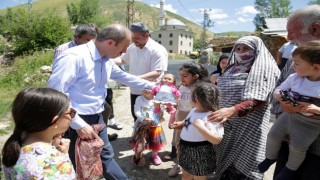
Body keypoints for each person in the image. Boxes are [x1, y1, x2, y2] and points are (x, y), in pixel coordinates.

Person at [48, 23, 154, 180]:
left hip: (97, 116)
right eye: (124, 47)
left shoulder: (106, 59)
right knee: (76, 163)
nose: (124, 52)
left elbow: (124, 77)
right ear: (110, 42)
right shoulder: (73, 57)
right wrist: (78, 124)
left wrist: (157, 87)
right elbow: (56, 94)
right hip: (74, 120)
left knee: (106, 156)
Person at [207, 36, 280, 180]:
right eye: (238, 49)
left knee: (246, 162)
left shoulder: (265, 68)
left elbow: (261, 98)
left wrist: (233, 110)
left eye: (246, 48)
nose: (241, 52)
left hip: (250, 125)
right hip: (227, 123)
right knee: (224, 158)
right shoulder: (232, 68)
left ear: (257, 50)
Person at [271, 5, 320, 180]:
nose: (288, 37)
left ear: (315, 28)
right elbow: (281, 87)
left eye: (292, 31)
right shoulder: (295, 58)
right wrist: (282, 107)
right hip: (289, 140)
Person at [259, 41, 320, 179]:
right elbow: (279, 89)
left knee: (297, 148)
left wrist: (317, 109)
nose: (292, 66)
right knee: (273, 136)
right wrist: (280, 97)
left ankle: (290, 169)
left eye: (297, 63)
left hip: (310, 124)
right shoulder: (295, 78)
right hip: (289, 116)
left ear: (315, 67)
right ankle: (270, 158)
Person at [53, 23, 119, 141]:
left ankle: (100, 133)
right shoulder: (67, 52)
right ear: (76, 37)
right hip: (73, 105)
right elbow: (59, 85)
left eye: (92, 40)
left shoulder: (95, 52)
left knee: (106, 109)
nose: (90, 43)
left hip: (91, 102)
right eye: (87, 40)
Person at [2, 87, 76, 179]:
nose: (72, 116)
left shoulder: (13, 150)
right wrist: (65, 156)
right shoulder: (56, 162)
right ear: (55, 121)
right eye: (71, 112)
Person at [114, 22, 168, 121]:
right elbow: (122, 60)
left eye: (136, 38)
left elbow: (157, 72)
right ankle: (139, 136)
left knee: (152, 119)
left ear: (146, 35)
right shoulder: (133, 47)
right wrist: (108, 61)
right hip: (135, 90)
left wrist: (135, 78)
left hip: (151, 92)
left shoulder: (157, 50)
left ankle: (153, 137)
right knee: (137, 116)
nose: (134, 41)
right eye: (132, 38)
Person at [170, 82, 224, 179]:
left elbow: (216, 140)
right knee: (185, 173)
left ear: (197, 100)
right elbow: (189, 121)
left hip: (200, 152)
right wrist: (181, 124)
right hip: (185, 147)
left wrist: (201, 127)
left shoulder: (212, 116)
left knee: (198, 176)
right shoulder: (194, 110)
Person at [167, 62, 210, 177]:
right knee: (178, 143)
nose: (181, 78)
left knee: (191, 143)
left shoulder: (201, 89)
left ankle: (192, 167)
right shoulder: (181, 87)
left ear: (195, 76)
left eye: (185, 76)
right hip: (180, 115)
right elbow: (178, 102)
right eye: (180, 75)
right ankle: (179, 164)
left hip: (194, 118)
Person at [130, 91, 166, 166]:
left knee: (155, 141)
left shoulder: (158, 98)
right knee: (139, 141)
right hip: (142, 124)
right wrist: (143, 118)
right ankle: (138, 155)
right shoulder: (139, 98)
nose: (147, 90)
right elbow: (136, 111)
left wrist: (160, 114)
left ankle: (155, 155)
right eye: (144, 87)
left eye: (149, 87)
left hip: (155, 124)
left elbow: (161, 110)